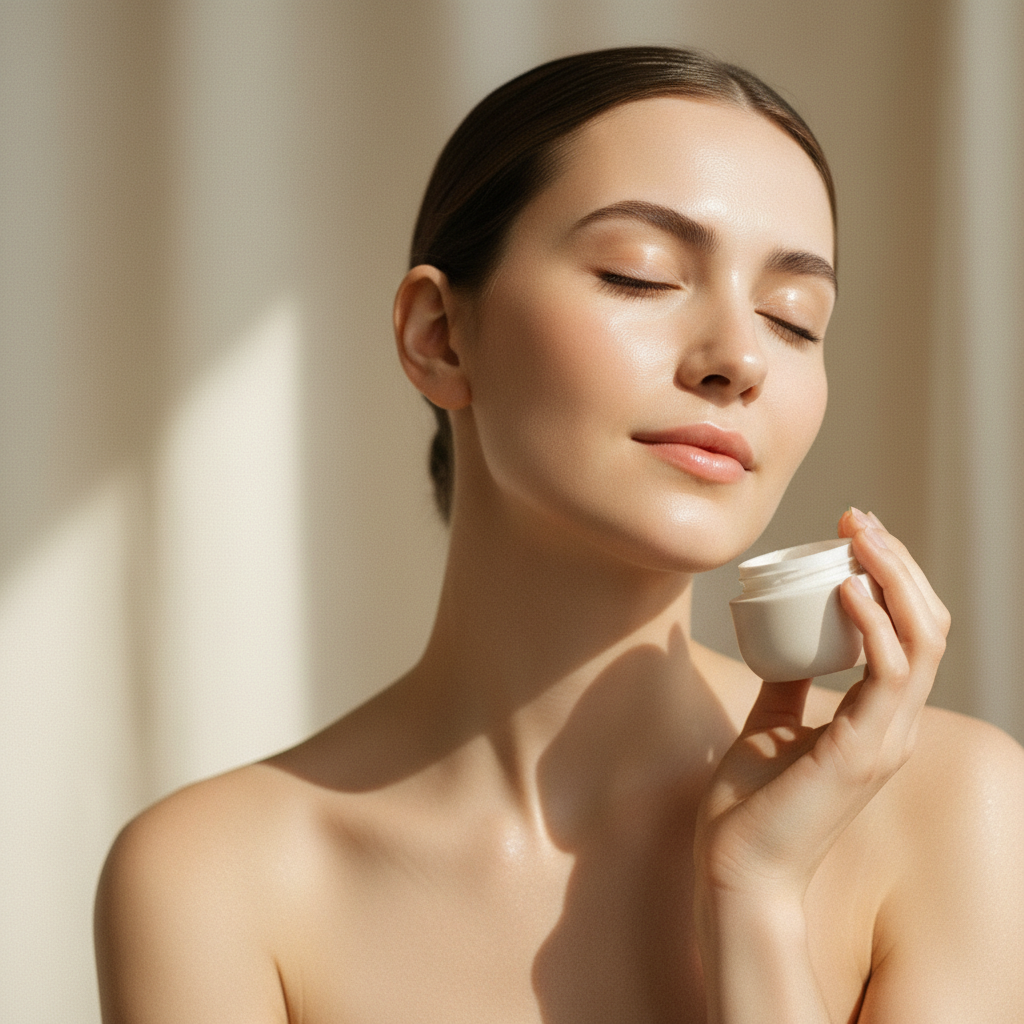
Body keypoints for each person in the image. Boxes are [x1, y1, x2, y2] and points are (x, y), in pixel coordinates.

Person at [94, 47, 1024, 1023]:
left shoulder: (951, 808)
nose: (739, 358)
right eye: (641, 275)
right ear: (439, 337)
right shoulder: (216, 878)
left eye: (793, 319)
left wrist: (755, 900)